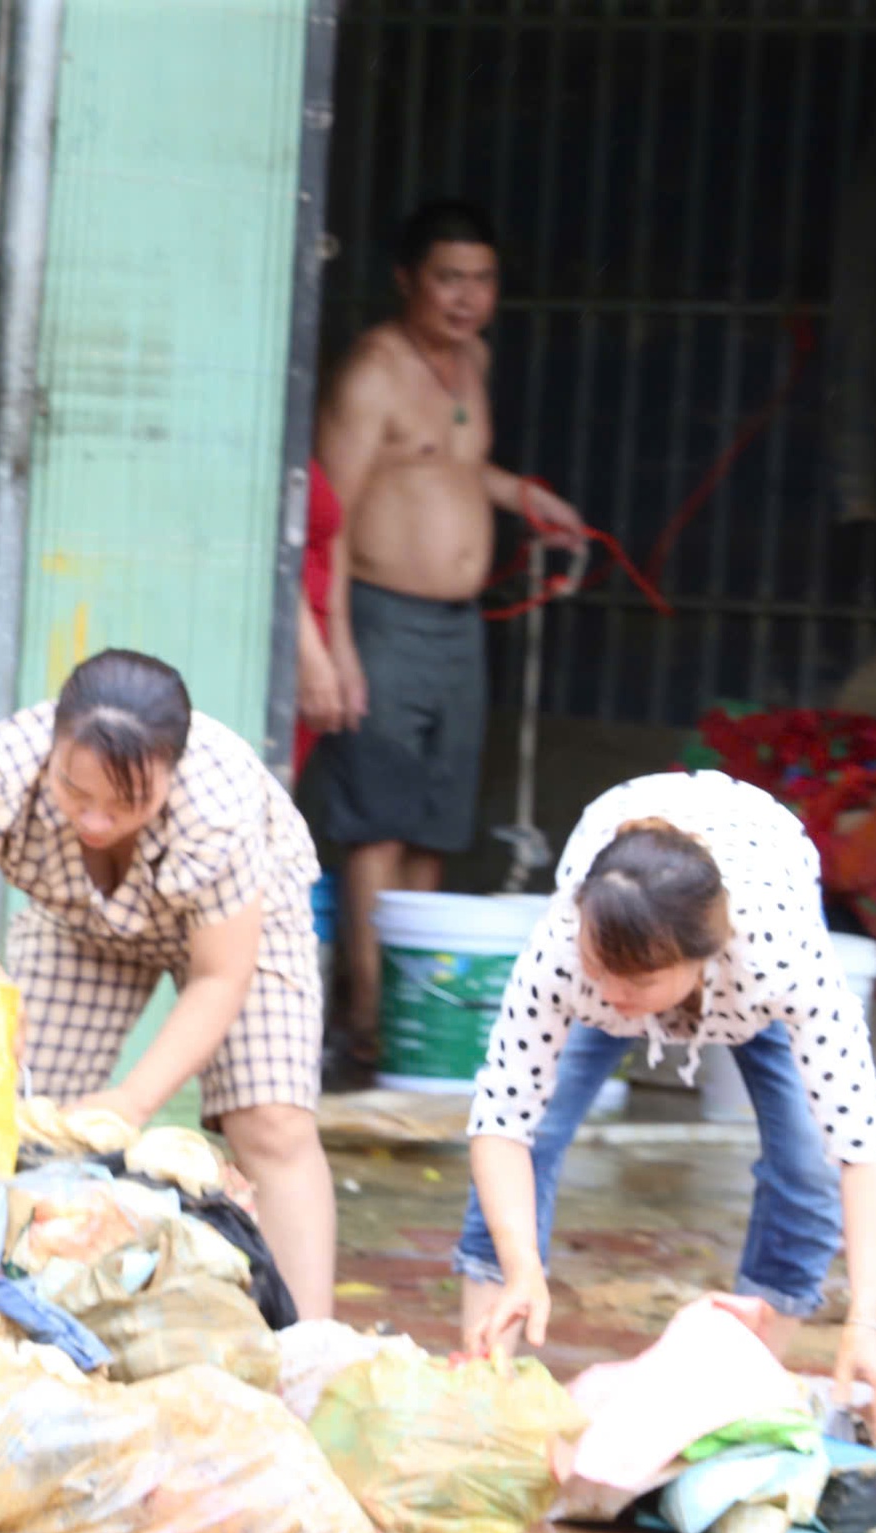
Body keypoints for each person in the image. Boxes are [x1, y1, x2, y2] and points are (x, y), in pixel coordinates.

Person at [0, 650, 338, 1318]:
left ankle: (306, 1352)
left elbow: (219, 975)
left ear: (171, 773)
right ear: (54, 747)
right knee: (27, 1122)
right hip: (78, 924)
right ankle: (4, 1328)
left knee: (272, 1124)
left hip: (235, 932)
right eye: (74, 793)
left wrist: (132, 1101)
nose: (94, 822)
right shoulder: (9, 765)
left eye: (126, 803)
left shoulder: (220, 802)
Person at [457, 770, 876, 1447]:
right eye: (598, 967)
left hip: (756, 892)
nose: (612, 995)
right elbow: (502, 1122)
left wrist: (866, 1322)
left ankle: (740, 1392)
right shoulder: (564, 953)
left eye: (636, 981)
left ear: (704, 960)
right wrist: (523, 1264)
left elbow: (862, 1146)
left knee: (804, 1166)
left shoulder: (779, 960)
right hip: (624, 882)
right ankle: (482, 1388)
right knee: (533, 1144)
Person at [313, 198, 585, 1068]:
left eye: (482, 280)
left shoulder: (473, 359)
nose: (466, 298)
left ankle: (413, 1009)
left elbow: (454, 465)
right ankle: (366, 1012)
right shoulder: (373, 372)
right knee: (378, 825)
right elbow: (331, 516)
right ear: (407, 281)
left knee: (433, 825)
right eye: (448, 279)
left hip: (459, 624)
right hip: (383, 618)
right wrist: (337, 648)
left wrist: (522, 496)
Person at [291, 456, 365, 780]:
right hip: (281, 654)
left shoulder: (297, 447)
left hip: (311, 645)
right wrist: (312, 660)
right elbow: (264, 550)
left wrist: (338, 648)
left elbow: (332, 537)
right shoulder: (254, 434)